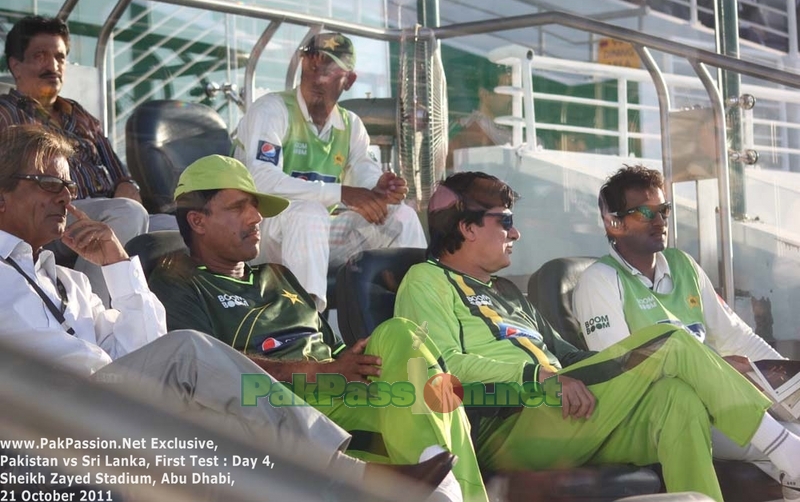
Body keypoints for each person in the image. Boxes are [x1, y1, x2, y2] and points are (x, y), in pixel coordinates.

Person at [0, 125, 454, 497]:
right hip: (42, 413)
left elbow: (142, 349)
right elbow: (172, 353)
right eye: (49, 184)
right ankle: (351, 477)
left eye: (69, 185)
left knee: (222, 425)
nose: (67, 198)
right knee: (190, 352)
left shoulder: (70, 282)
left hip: (109, 405)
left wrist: (120, 266)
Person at [393, 171, 800, 502]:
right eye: (506, 221)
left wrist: (573, 373)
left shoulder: (506, 292)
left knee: (677, 397)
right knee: (671, 340)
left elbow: (568, 357)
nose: (515, 234)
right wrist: (541, 378)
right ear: (466, 228)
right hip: (505, 421)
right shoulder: (426, 280)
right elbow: (443, 367)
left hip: (563, 411)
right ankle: (787, 450)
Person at [148, 154, 487, 502]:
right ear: (197, 221)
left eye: (255, 206)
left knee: (409, 348)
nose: (256, 217)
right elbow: (210, 369)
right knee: (425, 418)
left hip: (338, 387)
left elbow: (332, 347)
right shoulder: (177, 280)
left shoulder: (276, 275)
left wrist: (359, 361)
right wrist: (318, 371)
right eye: (238, 208)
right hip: (280, 407)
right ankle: (443, 489)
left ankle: (438, 485)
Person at [572, 164, 800, 489]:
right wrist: (719, 371)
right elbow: (621, 374)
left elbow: (737, 337)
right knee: (790, 446)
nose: (660, 220)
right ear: (615, 223)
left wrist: (789, 386)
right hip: (670, 411)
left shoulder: (683, 265)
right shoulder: (599, 281)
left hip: (727, 404)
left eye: (663, 210)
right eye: (644, 213)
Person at [233, 32, 426, 311]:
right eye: (313, 63)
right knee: (310, 213)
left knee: (402, 218)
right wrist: (343, 193)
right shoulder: (271, 109)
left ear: (349, 81)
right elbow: (260, 181)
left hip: (315, 236)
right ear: (302, 62)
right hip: (258, 232)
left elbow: (362, 169)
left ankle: (422, 316)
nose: (317, 75)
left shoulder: (351, 125)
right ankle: (308, 326)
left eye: (328, 68)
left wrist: (379, 189)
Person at [0, 15, 177, 305]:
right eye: (40, 56)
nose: (52, 65)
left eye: (59, 57)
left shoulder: (80, 116)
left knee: (181, 228)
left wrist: (125, 185)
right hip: (47, 210)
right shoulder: (6, 114)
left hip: (106, 210)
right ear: (15, 66)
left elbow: (120, 175)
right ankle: (91, 318)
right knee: (127, 214)